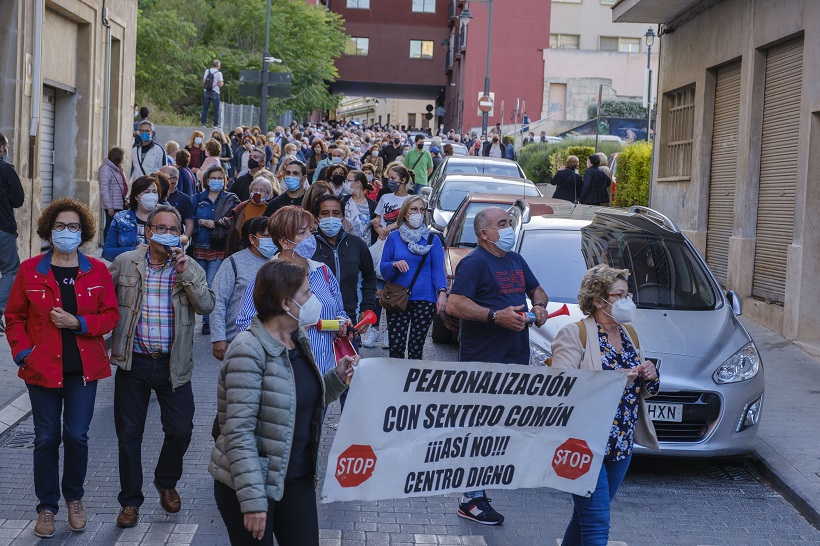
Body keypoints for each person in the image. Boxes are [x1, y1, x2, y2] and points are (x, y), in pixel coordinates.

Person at [210, 260, 356, 546]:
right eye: (306, 294)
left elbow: (294, 403)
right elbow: (238, 434)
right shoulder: (247, 350)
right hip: (251, 484)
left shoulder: (297, 339)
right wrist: (252, 501)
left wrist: (337, 378)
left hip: (295, 478)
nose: (313, 300)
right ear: (285, 302)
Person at [5, 198, 119, 538]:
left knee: (76, 436)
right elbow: (14, 318)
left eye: (73, 227)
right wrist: (24, 354)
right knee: (45, 437)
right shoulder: (30, 270)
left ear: (82, 232)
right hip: (41, 369)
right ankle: (46, 507)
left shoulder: (96, 271)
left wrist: (78, 322)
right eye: (59, 226)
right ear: (48, 230)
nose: (66, 232)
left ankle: (75, 498)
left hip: (83, 368)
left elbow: (111, 316)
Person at [108, 204, 215, 529]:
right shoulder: (126, 263)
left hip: (174, 365)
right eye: (161, 228)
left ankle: (165, 480)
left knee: (181, 431)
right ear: (149, 231)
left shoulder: (188, 266)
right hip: (134, 363)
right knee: (129, 436)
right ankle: (129, 502)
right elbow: (103, 303)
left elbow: (206, 305)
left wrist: (187, 273)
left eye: (173, 229)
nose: (167, 234)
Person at [445, 205, 550, 525]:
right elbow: (454, 303)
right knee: (479, 428)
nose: (509, 229)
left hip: (514, 358)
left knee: (497, 427)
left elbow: (537, 289)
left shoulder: (516, 260)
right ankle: (470, 498)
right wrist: (494, 316)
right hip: (482, 361)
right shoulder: (474, 263)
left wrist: (541, 306)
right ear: (484, 234)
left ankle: (478, 492)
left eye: (509, 223)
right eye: (502, 224)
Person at [551, 265, 659, 545]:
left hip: (621, 443)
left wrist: (650, 375)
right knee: (598, 524)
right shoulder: (575, 334)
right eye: (620, 294)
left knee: (585, 517)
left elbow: (643, 390)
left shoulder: (629, 334)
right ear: (599, 301)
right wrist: (614, 380)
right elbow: (561, 389)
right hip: (584, 444)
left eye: (629, 293)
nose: (628, 300)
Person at [235, 207, 351, 375]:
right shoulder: (267, 279)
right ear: (284, 241)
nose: (310, 238)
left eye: (311, 231)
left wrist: (342, 323)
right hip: (284, 375)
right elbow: (245, 325)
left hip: (324, 373)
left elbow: (339, 310)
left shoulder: (323, 271)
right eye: (302, 233)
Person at [378, 196, 446, 359]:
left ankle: (412, 383)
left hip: (425, 299)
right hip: (398, 297)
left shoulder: (432, 240)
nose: (418, 213)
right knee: (396, 348)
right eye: (414, 209)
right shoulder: (394, 237)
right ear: (405, 213)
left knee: (416, 348)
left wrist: (442, 292)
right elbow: (384, 270)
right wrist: (394, 265)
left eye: (422, 210)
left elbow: (438, 269)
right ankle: (397, 382)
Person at [313, 194, 378, 335]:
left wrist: (366, 308)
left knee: (350, 357)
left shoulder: (357, 244)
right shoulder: (308, 245)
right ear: (317, 218)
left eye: (336, 213)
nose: (331, 217)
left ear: (342, 216)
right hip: (316, 323)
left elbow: (370, 278)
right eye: (325, 213)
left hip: (349, 322)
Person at [211, 216, 271, 361]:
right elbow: (217, 301)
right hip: (239, 343)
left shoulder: (279, 262)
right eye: (267, 236)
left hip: (272, 344)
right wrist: (219, 337)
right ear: (252, 238)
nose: (272, 240)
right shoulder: (233, 263)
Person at [192, 166, 240, 334]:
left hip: (219, 248)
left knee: (212, 284)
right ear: (207, 180)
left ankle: (208, 321)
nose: (217, 181)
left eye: (220, 178)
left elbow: (236, 218)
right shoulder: (198, 198)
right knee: (200, 285)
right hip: (199, 246)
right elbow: (189, 219)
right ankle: (204, 316)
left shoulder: (230, 199)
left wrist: (222, 221)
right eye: (214, 178)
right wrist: (202, 222)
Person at [103, 176, 161, 261]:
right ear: (136, 196)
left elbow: (176, 247)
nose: (152, 196)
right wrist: (133, 250)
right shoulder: (120, 219)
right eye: (147, 192)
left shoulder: (166, 216)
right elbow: (107, 253)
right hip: (129, 271)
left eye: (154, 192)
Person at [0, 133, 24, 333]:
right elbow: (18, 200)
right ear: (1, 149)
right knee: (9, 270)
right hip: (3, 228)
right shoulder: (6, 170)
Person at [224, 177, 274, 257]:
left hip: (263, 246)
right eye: (255, 189)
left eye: (262, 190)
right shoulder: (242, 207)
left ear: (268, 193)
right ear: (250, 191)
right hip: (242, 245)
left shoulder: (270, 208)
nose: (258, 192)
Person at [99, 146, 129, 240]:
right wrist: (109, 206)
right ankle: (107, 245)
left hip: (120, 202)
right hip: (113, 205)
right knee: (110, 226)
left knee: (119, 226)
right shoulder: (106, 169)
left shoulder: (118, 168)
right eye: (123, 156)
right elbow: (104, 189)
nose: (124, 158)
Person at [342, 170, 377, 244]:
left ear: (358, 183)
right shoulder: (342, 201)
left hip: (365, 249)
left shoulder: (373, 205)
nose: (345, 183)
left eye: (348, 180)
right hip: (344, 246)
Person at [159, 165, 195, 236]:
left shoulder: (184, 199)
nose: (159, 179)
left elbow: (189, 223)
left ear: (174, 180)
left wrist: (184, 239)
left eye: (163, 176)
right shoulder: (155, 196)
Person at [202, 59, 224, 128]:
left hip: (207, 91)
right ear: (218, 66)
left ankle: (203, 123)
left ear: (212, 65)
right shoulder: (219, 73)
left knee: (205, 108)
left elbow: (204, 81)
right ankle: (215, 124)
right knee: (216, 109)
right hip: (215, 92)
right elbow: (220, 84)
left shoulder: (207, 71)